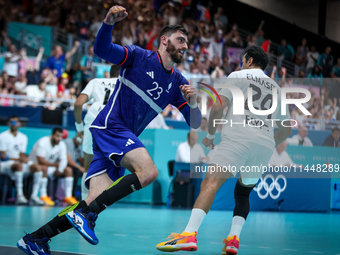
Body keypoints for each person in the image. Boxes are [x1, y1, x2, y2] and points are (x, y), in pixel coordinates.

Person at [17, 5, 201, 254]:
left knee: (91, 201)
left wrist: (193, 103)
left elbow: (195, 122)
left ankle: (36, 239)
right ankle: (87, 216)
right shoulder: (139, 56)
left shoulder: (179, 81)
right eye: (181, 40)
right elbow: (102, 50)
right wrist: (108, 23)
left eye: (187, 43)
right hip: (111, 126)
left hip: (118, 136)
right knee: (148, 172)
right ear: (164, 40)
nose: (185, 46)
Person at [156, 45, 292, 254]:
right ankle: (233, 239)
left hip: (238, 137)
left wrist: (210, 136)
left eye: (242, 59)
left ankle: (189, 234)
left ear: (248, 61)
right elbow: (286, 128)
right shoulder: (275, 87)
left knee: (211, 182)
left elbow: (218, 107)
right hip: (264, 144)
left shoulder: (238, 76)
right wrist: (269, 143)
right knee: (243, 192)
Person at [74, 64, 121, 199]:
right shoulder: (126, 85)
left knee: (87, 167)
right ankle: (102, 201)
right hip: (114, 123)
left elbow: (78, 104)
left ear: (108, 73)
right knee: (115, 165)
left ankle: (83, 204)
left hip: (93, 120)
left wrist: (79, 129)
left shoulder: (96, 82)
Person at [0, 115, 44, 205]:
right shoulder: (2, 136)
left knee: (37, 167)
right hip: (5, 164)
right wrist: (19, 159)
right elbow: (3, 157)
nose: (13, 124)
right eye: (11, 122)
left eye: (15, 122)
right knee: (19, 165)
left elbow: (21, 155)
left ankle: (34, 196)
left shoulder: (23, 137)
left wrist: (23, 159)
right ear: (8, 123)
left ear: (19, 124)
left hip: (18, 163)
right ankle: (19, 196)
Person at [28, 127, 78, 206]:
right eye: (57, 136)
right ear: (52, 135)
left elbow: (64, 159)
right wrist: (56, 165)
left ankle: (68, 197)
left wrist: (61, 169)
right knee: (44, 168)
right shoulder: (43, 142)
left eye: (61, 136)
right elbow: (40, 161)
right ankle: (43, 196)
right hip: (35, 167)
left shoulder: (61, 144)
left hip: (50, 168)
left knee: (68, 170)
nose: (59, 139)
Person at [64, 134, 85, 200]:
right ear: (76, 136)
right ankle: (72, 196)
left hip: (72, 166)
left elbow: (80, 159)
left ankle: (85, 196)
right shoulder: (68, 142)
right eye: (80, 139)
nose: (81, 142)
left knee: (86, 173)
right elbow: (69, 161)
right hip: (64, 165)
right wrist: (80, 168)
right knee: (77, 171)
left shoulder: (78, 146)